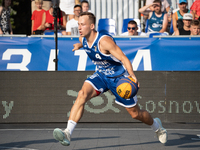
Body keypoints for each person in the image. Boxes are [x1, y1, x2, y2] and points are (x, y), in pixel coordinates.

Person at [53, 12, 168, 147]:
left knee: (135, 114)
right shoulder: (83, 38)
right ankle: (67, 133)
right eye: (78, 24)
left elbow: (124, 58)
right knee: (81, 94)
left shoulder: (104, 42)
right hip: (101, 75)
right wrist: (80, 46)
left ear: (91, 26)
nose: (79, 27)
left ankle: (157, 127)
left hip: (119, 79)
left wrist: (132, 76)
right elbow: (84, 43)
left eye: (82, 24)